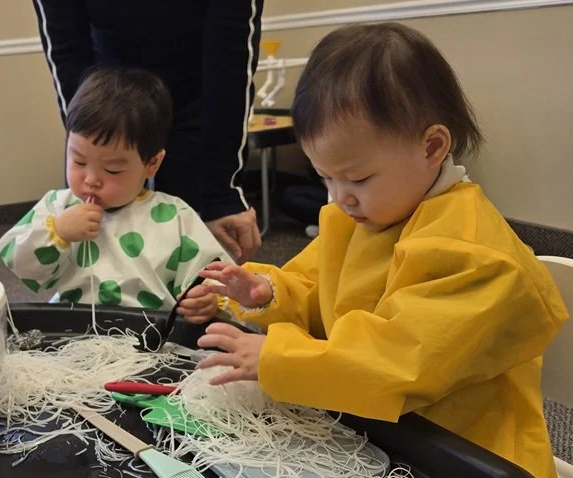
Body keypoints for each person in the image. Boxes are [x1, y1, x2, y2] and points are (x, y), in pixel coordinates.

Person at [182, 23, 568, 477]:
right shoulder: (359, 218)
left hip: (467, 452)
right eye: (325, 177)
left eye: (358, 179)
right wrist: (268, 292)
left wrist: (277, 358)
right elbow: (318, 292)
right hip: (381, 431)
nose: (338, 197)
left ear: (432, 146)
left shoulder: (476, 256)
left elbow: (400, 359)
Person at [30, 0, 263, 263]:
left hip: (196, 91)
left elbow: (229, 58)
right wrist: (93, 150)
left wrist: (221, 194)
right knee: (94, 246)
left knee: (196, 259)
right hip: (107, 92)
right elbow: (67, 50)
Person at [0, 66, 232, 321]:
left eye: (112, 169)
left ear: (151, 164)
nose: (90, 180)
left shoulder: (174, 217)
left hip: (149, 338)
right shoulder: (58, 207)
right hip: (73, 330)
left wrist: (207, 300)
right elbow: (20, 265)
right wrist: (58, 232)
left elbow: (218, 277)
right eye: (78, 161)